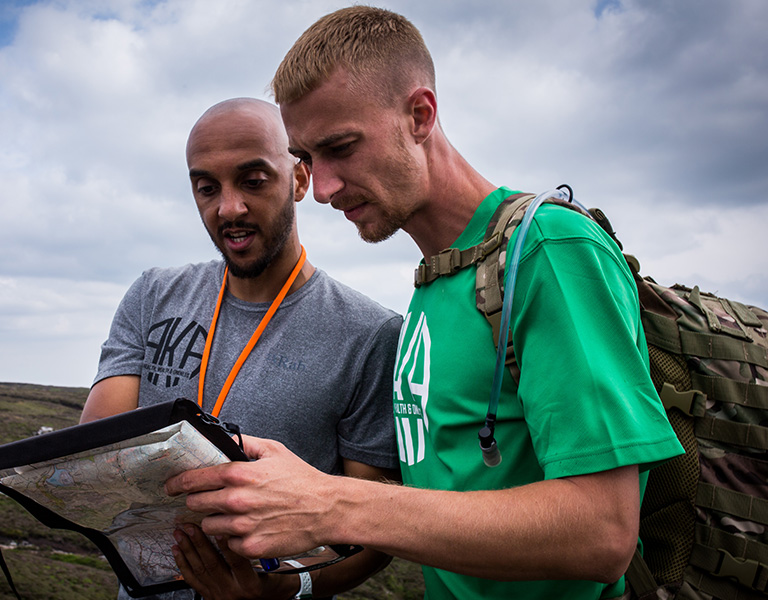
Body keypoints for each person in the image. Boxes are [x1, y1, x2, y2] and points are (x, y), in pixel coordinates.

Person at [165, 7, 685, 600]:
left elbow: (602, 532)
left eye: (342, 147)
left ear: (420, 115)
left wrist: (331, 502)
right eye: (308, 158)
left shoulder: (547, 251)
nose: (326, 187)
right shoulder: (434, 284)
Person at [81, 97, 403, 600]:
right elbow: (98, 451)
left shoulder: (371, 334)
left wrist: (275, 591)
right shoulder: (152, 295)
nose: (228, 208)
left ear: (299, 179)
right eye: (207, 188)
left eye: (253, 181)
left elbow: (371, 535)